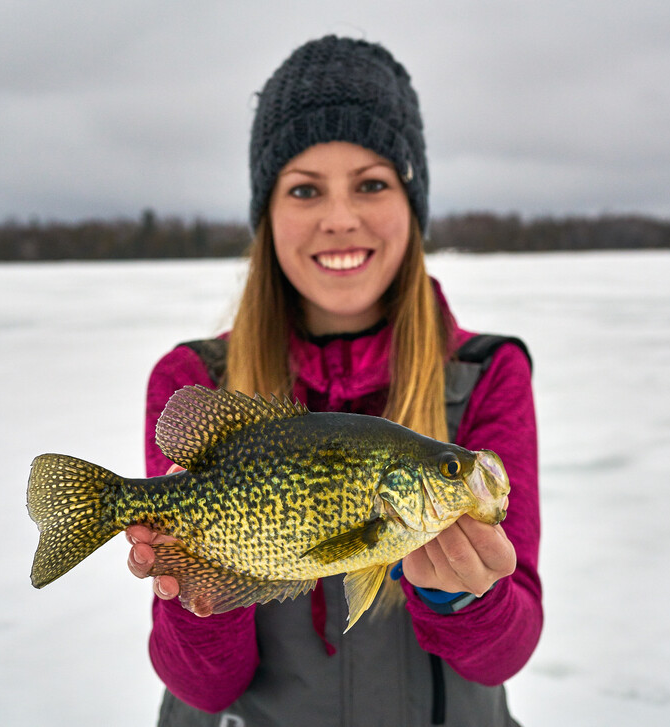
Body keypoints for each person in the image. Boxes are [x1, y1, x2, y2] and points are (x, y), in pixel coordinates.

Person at [126, 35, 543, 726]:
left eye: (372, 183)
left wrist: (464, 598)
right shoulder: (194, 378)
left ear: (414, 203)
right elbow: (202, 687)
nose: (340, 218)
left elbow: (502, 656)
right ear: (267, 214)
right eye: (305, 189)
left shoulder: (488, 376)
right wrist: (197, 590)